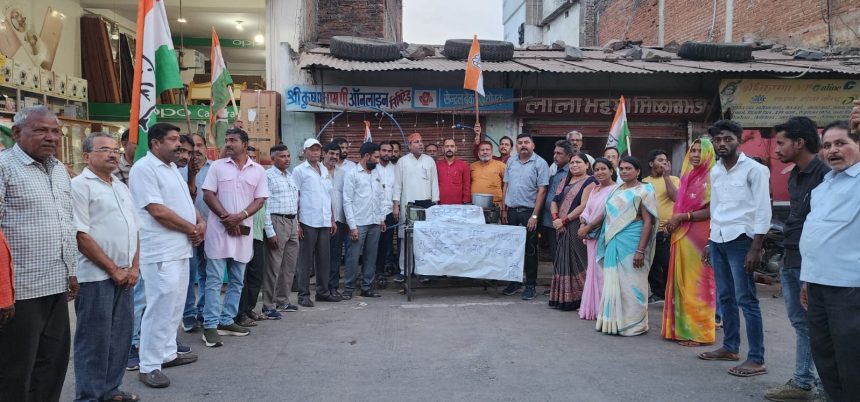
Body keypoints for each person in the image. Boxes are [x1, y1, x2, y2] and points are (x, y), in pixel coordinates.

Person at [0, 106, 79, 401]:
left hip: (56, 285)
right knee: (15, 370)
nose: (51, 137)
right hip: (20, 292)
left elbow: (66, 222)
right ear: (17, 133)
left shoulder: (59, 170)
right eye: (41, 130)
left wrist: (71, 270)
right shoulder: (4, 167)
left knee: (52, 365)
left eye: (55, 131)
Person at [128, 122, 204, 388]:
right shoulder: (144, 169)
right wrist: (192, 228)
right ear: (155, 143)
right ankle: (149, 365)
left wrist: (200, 222)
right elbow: (157, 210)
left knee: (175, 305)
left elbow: (184, 204)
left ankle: (167, 353)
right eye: (172, 139)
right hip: (159, 249)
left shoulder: (172, 168)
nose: (178, 145)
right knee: (159, 306)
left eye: (178, 139)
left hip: (180, 247)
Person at [762, 118, 829, 400]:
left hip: (811, 262)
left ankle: (825, 388)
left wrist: (813, 270)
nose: (776, 149)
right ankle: (803, 382)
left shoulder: (826, 175)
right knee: (802, 324)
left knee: (819, 326)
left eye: (781, 143)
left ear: (799, 143)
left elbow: (824, 227)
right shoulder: (795, 174)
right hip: (791, 256)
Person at [697, 120, 771, 378]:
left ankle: (756, 358)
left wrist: (756, 247)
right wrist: (710, 240)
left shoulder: (755, 170)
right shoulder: (716, 171)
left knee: (746, 299)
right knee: (725, 296)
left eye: (728, 139)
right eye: (718, 140)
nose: (722, 144)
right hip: (719, 238)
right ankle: (730, 347)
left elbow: (763, 209)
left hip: (742, 240)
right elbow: (716, 208)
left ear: (739, 141)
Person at [71, 132, 141, 402]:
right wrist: (113, 269)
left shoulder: (120, 186)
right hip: (96, 276)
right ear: (86, 156)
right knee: (94, 340)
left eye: (115, 149)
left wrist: (134, 267)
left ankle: (110, 390)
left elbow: (134, 229)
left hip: (125, 275)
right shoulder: (80, 186)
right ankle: (89, 396)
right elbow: (81, 235)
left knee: (120, 337)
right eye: (104, 149)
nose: (113, 154)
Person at [800, 120, 860, 402]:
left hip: (849, 288)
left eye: (841, 143)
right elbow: (815, 235)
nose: (832, 150)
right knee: (825, 356)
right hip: (817, 284)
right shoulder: (824, 186)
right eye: (827, 145)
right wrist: (806, 279)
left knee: (852, 359)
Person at [200, 128, 268, 347]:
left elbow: (260, 199)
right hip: (219, 231)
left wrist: (240, 216)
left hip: (243, 232)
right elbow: (208, 194)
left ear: (244, 144)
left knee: (238, 280)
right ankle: (210, 325)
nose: (228, 143)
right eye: (227, 140)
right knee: (214, 280)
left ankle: (227, 320)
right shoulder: (217, 166)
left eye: (233, 140)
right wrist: (226, 218)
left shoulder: (258, 170)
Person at [660, 139, 717, 347]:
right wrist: (667, 176)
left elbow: (712, 210)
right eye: (693, 150)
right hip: (682, 233)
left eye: (700, 151)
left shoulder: (713, 177)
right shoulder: (687, 176)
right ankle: (682, 329)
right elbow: (678, 199)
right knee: (681, 280)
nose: (695, 154)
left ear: (709, 154)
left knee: (698, 282)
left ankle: (700, 333)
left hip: (699, 235)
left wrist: (682, 217)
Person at [595, 156, 658, 336]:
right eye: (621, 168)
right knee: (615, 281)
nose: (624, 171)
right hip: (614, 241)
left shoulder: (644, 190)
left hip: (633, 242)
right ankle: (614, 322)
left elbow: (648, 222)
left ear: (638, 171)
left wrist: (640, 250)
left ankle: (635, 324)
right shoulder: (616, 190)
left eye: (628, 168)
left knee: (633, 282)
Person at [501, 133, 550, 300]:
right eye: (520, 142)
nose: (523, 145)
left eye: (526, 142)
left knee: (530, 250)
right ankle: (514, 282)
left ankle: (530, 285)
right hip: (512, 212)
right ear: (516, 146)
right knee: (512, 249)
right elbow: (506, 185)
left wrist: (534, 216)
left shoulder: (540, 163)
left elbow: (542, 190)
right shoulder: (511, 161)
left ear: (533, 145)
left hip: (529, 213)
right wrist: (504, 209)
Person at [294, 138, 341, 307]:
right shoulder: (299, 171)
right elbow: (295, 197)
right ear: (305, 151)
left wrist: (332, 219)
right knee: (305, 260)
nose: (315, 153)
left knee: (324, 259)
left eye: (317, 150)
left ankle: (322, 292)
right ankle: (303, 294)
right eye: (311, 150)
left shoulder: (324, 169)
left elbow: (328, 195)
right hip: (307, 220)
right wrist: (297, 223)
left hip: (324, 220)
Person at [548, 152, 597, 310]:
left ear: (587, 165)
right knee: (562, 260)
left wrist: (564, 220)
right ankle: (564, 298)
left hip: (576, 225)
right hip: (560, 226)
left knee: (578, 260)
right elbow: (554, 201)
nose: (574, 165)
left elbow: (584, 205)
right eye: (572, 162)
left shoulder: (590, 181)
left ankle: (582, 298)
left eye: (578, 162)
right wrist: (556, 219)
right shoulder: (565, 180)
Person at [392, 133, 439, 283]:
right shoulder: (402, 161)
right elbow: (397, 185)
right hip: (407, 205)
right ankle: (404, 271)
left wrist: (435, 204)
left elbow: (434, 183)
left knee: (424, 240)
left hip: (426, 207)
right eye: (416, 142)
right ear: (409, 145)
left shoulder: (429, 161)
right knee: (406, 239)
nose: (420, 144)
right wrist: (396, 205)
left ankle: (423, 271)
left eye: (421, 141)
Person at [261, 144, 300, 320]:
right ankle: (268, 305)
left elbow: (294, 202)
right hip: (277, 221)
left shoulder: (290, 176)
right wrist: (270, 231)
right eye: (283, 156)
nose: (287, 159)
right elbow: (265, 205)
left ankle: (283, 300)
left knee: (289, 266)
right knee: (273, 266)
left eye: (288, 156)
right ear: (273, 158)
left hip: (292, 222)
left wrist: (296, 225)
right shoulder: (268, 176)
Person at [342, 142, 386, 299]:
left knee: (371, 257)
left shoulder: (376, 173)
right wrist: (352, 226)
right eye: (376, 157)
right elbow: (347, 201)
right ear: (367, 156)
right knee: (353, 257)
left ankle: (367, 287)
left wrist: (382, 218)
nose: (378, 161)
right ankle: (348, 288)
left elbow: (381, 197)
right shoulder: (352, 174)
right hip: (359, 223)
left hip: (375, 221)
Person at [577, 158, 618, 320]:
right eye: (597, 170)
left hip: (605, 236)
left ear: (611, 171)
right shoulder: (595, 189)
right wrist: (582, 224)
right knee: (592, 271)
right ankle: (592, 309)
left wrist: (588, 228)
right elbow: (587, 210)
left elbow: (607, 213)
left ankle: (605, 311)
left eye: (603, 169)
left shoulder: (616, 190)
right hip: (590, 237)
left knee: (603, 273)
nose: (600, 172)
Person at [180, 133, 212, 333]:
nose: (196, 150)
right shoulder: (179, 169)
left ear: (206, 148)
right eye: (192, 148)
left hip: (210, 228)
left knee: (208, 273)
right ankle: (188, 314)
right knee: (189, 275)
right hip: (187, 230)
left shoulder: (214, 169)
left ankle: (203, 310)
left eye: (200, 145)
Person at [235, 146, 269, 327]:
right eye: (249, 157)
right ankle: (239, 313)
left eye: (254, 157)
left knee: (256, 274)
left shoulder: (259, 177)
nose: (252, 160)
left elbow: (265, 207)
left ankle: (249, 309)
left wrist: (268, 232)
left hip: (258, 235)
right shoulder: (238, 180)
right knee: (242, 276)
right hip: (242, 233)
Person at [642, 149, 680, 303]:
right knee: (651, 264)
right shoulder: (644, 182)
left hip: (666, 230)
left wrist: (666, 177)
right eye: (660, 160)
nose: (664, 163)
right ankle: (658, 293)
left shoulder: (674, 179)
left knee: (668, 263)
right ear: (651, 163)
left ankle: (672, 294)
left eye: (665, 160)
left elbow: (675, 197)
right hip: (649, 230)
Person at [324, 142, 350, 298]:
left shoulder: (343, 173)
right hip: (320, 220)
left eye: (336, 154)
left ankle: (333, 287)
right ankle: (322, 287)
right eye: (331, 153)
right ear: (324, 153)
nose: (334, 157)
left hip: (339, 220)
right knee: (322, 255)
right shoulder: (317, 171)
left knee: (335, 255)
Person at [541, 140, 572, 263]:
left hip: (563, 222)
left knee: (563, 256)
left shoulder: (571, 173)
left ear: (568, 156)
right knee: (555, 254)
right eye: (554, 153)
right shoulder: (555, 172)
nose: (555, 156)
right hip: (550, 221)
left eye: (559, 153)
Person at [375, 142, 399, 282]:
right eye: (384, 150)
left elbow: (397, 189)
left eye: (389, 151)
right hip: (374, 211)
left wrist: (396, 206)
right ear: (379, 151)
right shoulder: (373, 168)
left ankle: (381, 272)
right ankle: (371, 272)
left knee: (386, 242)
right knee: (373, 243)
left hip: (390, 211)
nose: (386, 153)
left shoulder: (396, 169)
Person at [470, 140, 506, 205]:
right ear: (478, 152)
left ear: (491, 152)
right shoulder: (472, 166)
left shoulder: (501, 165)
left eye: (487, 149)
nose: (485, 152)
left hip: (495, 205)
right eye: (482, 150)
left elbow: (507, 185)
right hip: (475, 204)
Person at [437, 138, 471, 205]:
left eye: (452, 146)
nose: (449, 148)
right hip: (440, 205)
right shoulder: (437, 165)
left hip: (459, 205)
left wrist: (466, 201)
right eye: (447, 146)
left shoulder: (464, 165)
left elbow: (466, 185)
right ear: (443, 149)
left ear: (456, 149)